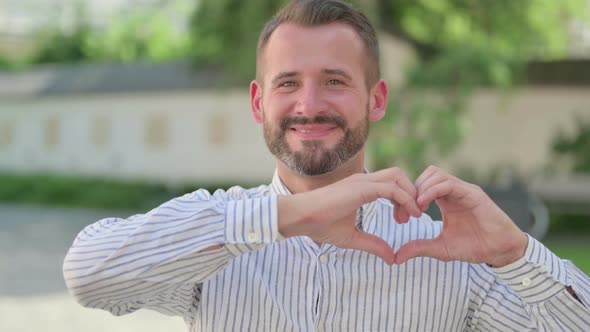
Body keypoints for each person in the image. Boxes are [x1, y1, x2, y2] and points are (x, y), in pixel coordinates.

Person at [63, 0, 590, 330]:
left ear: (376, 99)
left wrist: (514, 252)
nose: (309, 104)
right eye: (287, 82)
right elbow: (89, 274)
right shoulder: (217, 238)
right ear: (257, 103)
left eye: (335, 81)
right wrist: (286, 217)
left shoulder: (447, 254)